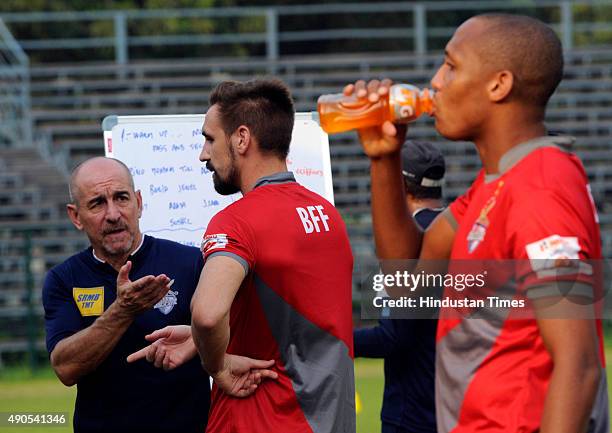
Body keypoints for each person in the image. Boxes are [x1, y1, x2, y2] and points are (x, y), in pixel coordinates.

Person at [348, 13, 608, 433]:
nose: (434, 80)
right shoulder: (495, 184)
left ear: (499, 84)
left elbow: (579, 366)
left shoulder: (541, 187)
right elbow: (408, 280)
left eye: (451, 65)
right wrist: (384, 158)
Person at [131, 78, 356, 433]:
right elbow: (296, 321)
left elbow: (207, 313)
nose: (203, 154)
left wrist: (216, 364)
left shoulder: (237, 220)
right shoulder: (329, 215)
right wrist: (198, 338)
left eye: (209, 138)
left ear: (241, 138)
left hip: (261, 419)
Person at [42, 157, 211, 433]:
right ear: (76, 216)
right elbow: (65, 367)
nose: (112, 214)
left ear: (139, 202)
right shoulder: (64, 279)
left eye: (121, 198)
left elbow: (237, 336)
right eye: (97, 203)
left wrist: (199, 338)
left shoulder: (190, 262)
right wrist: (122, 311)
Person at [354, 140, 444, 433]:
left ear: (396, 186)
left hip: (412, 414)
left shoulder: (406, 246)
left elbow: (392, 338)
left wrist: (333, 338)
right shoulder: (461, 231)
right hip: (457, 408)